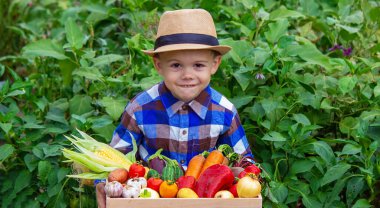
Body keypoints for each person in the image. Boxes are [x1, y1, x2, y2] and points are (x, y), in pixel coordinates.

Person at [96, 8, 254, 207]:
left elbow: (244, 162)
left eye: (198, 65)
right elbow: (115, 158)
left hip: (204, 200)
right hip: (150, 199)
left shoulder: (224, 112)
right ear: (159, 66)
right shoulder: (140, 108)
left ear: (214, 64)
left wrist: (248, 177)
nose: (187, 75)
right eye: (176, 65)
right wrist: (103, 183)